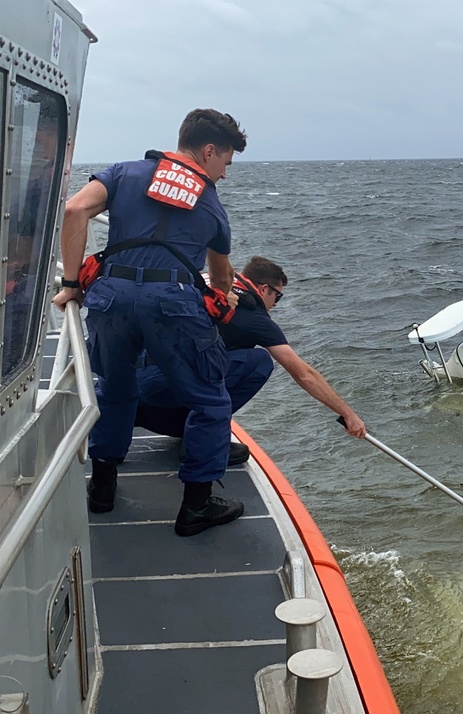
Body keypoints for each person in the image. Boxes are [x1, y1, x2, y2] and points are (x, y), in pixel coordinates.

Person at [53, 108, 247, 537]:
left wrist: (70, 282)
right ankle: (196, 506)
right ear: (209, 150)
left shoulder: (124, 172)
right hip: (173, 306)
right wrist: (223, 295)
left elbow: (74, 210)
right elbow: (220, 277)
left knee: (117, 390)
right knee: (211, 402)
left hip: (111, 299)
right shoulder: (211, 204)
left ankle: (102, 490)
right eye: (226, 163)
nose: (225, 175)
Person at [133, 256, 366, 446]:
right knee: (259, 360)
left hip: (134, 378)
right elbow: (303, 373)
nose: (276, 304)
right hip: (161, 386)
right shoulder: (254, 317)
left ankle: (150, 415)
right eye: (278, 296)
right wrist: (348, 414)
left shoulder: (206, 281)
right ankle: (203, 437)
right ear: (264, 289)